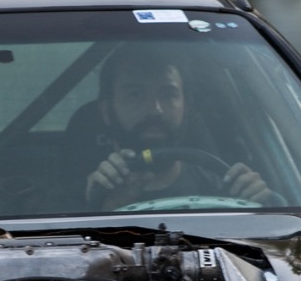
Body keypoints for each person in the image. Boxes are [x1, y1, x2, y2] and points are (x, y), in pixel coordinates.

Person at [78, 43, 278, 209]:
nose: (155, 109)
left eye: (168, 94)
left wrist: (261, 204)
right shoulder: (74, 198)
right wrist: (107, 206)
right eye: (135, 94)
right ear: (106, 111)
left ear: (186, 107)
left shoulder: (224, 188)